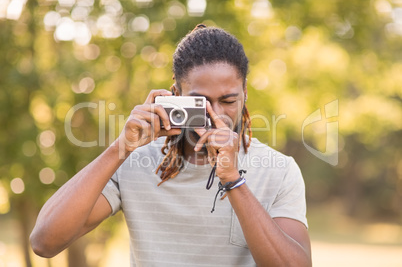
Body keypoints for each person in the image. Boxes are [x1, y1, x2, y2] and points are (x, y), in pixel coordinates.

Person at [30, 24, 312, 266]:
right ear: (176, 94)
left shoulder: (279, 170)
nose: (216, 115)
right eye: (200, 103)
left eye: (228, 101)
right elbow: (44, 242)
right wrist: (120, 148)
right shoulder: (136, 162)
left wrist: (233, 181)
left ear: (245, 94)